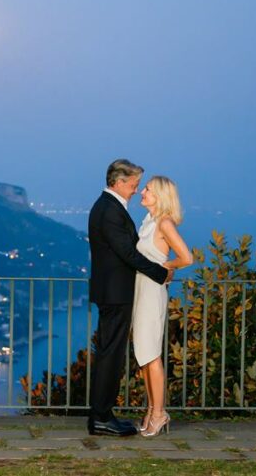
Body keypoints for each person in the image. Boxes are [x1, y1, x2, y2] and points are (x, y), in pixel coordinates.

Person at [87, 159, 174, 436]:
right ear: (119, 182)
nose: (136, 191)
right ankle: (101, 417)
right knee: (110, 355)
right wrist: (160, 273)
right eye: (135, 185)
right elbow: (128, 253)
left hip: (113, 292)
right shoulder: (110, 210)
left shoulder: (108, 207)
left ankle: (103, 415)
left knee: (109, 353)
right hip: (115, 294)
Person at [133, 175, 193, 437]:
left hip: (151, 291)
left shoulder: (164, 222)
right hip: (141, 289)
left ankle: (159, 413)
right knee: (143, 354)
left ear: (160, 195)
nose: (141, 192)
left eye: (147, 189)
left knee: (151, 354)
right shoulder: (149, 221)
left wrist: (164, 267)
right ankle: (151, 409)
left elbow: (186, 257)